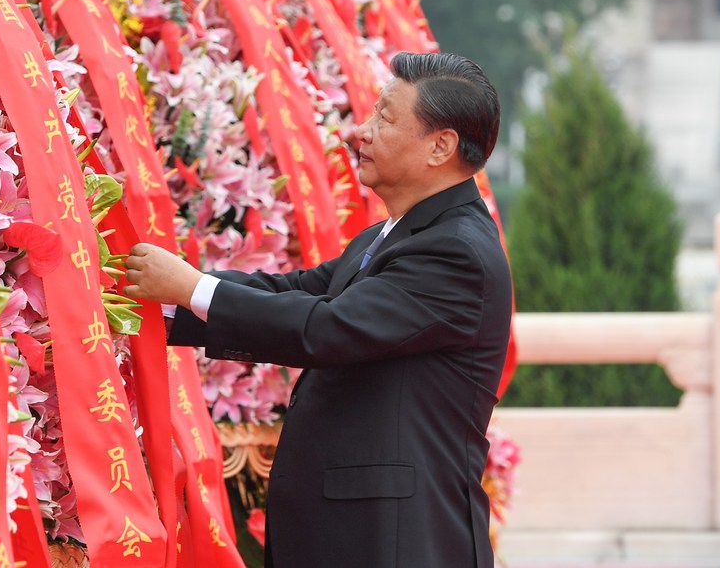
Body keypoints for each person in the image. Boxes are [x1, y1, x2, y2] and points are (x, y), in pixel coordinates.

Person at [125, 51, 513, 568]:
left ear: (440, 146)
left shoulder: (455, 252)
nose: (362, 131)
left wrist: (192, 286)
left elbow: (328, 329)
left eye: (386, 118)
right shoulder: (391, 234)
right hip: (357, 532)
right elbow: (295, 291)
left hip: (394, 540)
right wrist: (155, 304)